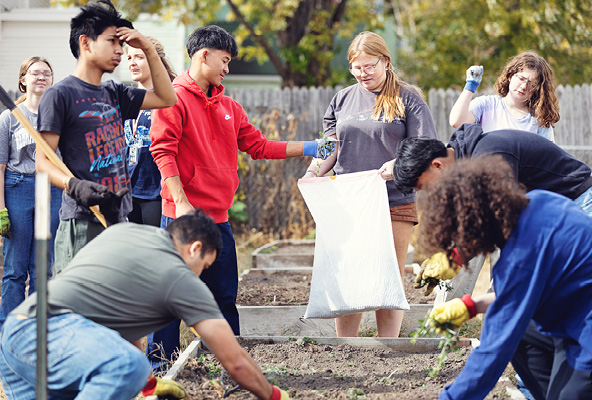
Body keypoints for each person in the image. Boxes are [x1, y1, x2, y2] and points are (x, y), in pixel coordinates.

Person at [148, 25, 334, 369]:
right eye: (224, 60)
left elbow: (260, 146)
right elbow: (163, 151)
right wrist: (181, 201)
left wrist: (312, 147)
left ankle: (228, 363)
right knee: (171, 295)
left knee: (223, 297)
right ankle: (161, 367)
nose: (227, 69)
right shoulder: (171, 98)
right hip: (182, 218)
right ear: (203, 55)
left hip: (218, 218)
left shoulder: (229, 106)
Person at [0, 210, 290, 400]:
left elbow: (118, 319)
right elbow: (235, 360)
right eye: (205, 266)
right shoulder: (180, 276)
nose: (201, 274)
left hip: (16, 334)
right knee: (130, 366)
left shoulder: (124, 233)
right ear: (195, 248)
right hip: (55, 334)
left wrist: (147, 384)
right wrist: (274, 395)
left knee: (125, 369)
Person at [416, 157, 592, 400]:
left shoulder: (520, 257)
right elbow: (528, 289)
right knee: (525, 333)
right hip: (578, 308)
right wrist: (474, 306)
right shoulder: (542, 200)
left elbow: (493, 352)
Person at [302, 31, 437, 338]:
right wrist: (314, 170)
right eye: (356, 68)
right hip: (348, 201)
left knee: (387, 276)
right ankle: (346, 345)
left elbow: (425, 146)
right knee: (349, 275)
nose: (362, 74)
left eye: (369, 66)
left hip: (394, 200)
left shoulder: (408, 98)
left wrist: (398, 164)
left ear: (385, 62)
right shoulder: (342, 99)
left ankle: (387, 347)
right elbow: (330, 144)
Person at [34, 0, 177, 273]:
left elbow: (166, 97)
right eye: (112, 41)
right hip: (83, 220)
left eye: (121, 44)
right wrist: (73, 185)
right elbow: (43, 162)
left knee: (114, 309)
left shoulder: (115, 92)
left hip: (118, 217)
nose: (120, 51)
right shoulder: (60, 95)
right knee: (79, 306)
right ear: (86, 43)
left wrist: (147, 46)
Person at [391, 124, 592, 223]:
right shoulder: (466, 162)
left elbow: (505, 216)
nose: (431, 192)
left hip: (584, 204)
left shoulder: (488, 156)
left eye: (426, 186)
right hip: (561, 212)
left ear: (437, 165)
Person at [0, 57, 62, 326]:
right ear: (23, 79)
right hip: (17, 188)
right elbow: (0, 167)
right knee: (14, 267)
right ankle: (9, 328)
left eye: (46, 73)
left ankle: (38, 327)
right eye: (35, 73)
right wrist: (1, 208)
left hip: (51, 191)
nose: (41, 77)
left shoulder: (59, 116)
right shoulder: (8, 118)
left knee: (43, 267)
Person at [448, 52, 560, 141]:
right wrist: (470, 86)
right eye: (521, 79)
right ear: (510, 75)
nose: (524, 86)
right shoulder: (486, 105)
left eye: (532, 84)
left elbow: (547, 158)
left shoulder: (539, 120)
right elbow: (456, 121)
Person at [124, 37, 177, 226]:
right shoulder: (126, 98)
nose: (132, 63)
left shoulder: (167, 99)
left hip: (155, 193)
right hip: (127, 193)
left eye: (139, 57)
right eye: (129, 58)